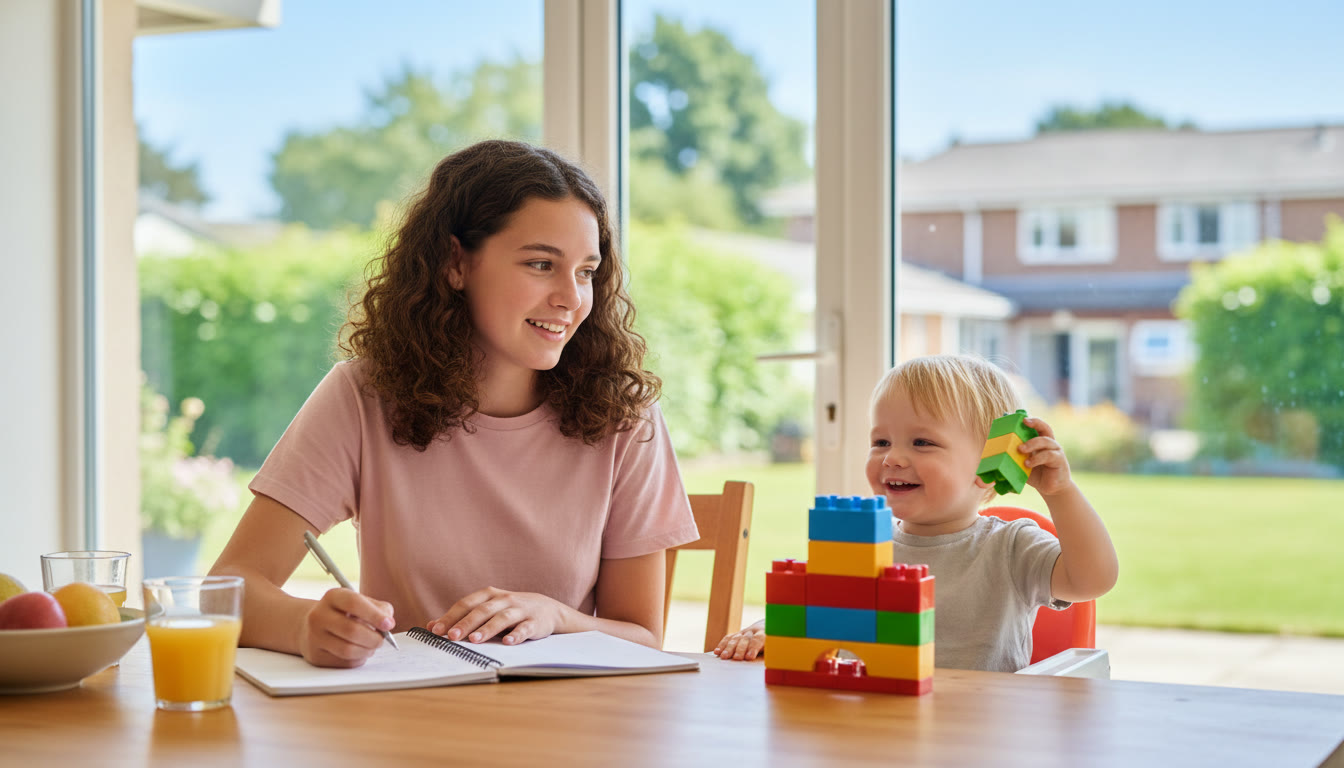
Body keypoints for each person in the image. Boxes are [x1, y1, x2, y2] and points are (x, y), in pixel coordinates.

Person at [209, 139, 698, 668]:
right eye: (540, 264)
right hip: (405, 725)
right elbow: (227, 591)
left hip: (565, 730)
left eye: (586, 271)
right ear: (455, 264)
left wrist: (556, 616)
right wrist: (305, 626)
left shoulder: (625, 416)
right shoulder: (362, 396)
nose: (572, 298)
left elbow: (644, 637)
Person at [713, 354, 1118, 672]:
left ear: (994, 463)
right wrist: (774, 628)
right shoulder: (861, 545)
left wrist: (1060, 492)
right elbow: (814, 615)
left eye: (922, 442)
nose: (893, 458)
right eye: (881, 440)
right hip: (876, 728)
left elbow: (1093, 579)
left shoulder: (1011, 548)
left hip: (977, 738)